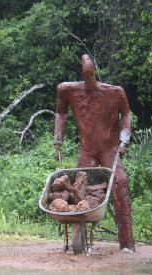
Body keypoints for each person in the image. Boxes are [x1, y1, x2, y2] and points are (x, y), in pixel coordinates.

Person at [54, 54, 135, 252]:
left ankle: (127, 243)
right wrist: (58, 137)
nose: (89, 80)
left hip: (109, 150)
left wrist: (124, 139)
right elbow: (61, 112)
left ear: (95, 74)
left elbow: (126, 113)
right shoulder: (68, 90)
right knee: (78, 191)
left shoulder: (114, 93)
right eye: (86, 75)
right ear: (82, 73)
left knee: (120, 183)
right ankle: (78, 240)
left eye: (91, 75)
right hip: (87, 150)